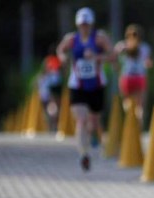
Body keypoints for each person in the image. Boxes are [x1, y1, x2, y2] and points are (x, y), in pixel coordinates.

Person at [56, 7, 114, 171]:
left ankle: (95, 134)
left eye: (87, 24)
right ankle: (84, 154)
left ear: (91, 24)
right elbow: (60, 50)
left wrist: (96, 57)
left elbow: (113, 55)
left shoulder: (99, 38)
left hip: (96, 85)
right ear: (77, 24)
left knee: (94, 121)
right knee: (81, 120)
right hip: (77, 85)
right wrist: (63, 58)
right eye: (82, 24)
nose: (84, 27)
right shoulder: (71, 39)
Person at [114, 24, 153, 125]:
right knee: (140, 105)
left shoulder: (122, 46)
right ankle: (138, 124)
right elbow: (148, 62)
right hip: (139, 78)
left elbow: (114, 58)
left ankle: (130, 121)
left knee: (127, 102)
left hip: (127, 78)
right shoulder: (145, 47)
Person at [37, 43, 63, 132]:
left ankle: (51, 121)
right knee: (57, 105)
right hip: (58, 83)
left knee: (49, 105)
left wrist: (38, 82)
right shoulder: (60, 60)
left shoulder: (47, 60)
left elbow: (43, 72)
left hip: (49, 85)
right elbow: (63, 72)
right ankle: (55, 122)